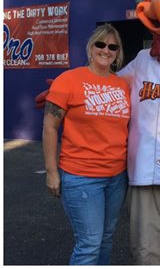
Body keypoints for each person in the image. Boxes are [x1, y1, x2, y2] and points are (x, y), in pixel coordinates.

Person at [42, 24, 130, 265]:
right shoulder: (68, 80)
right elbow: (50, 127)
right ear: (91, 48)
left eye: (113, 46)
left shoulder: (122, 85)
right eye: (100, 44)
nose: (106, 50)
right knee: (89, 243)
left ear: (118, 52)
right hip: (81, 177)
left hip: (116, 177)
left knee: (106, 238)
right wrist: (51, 172)